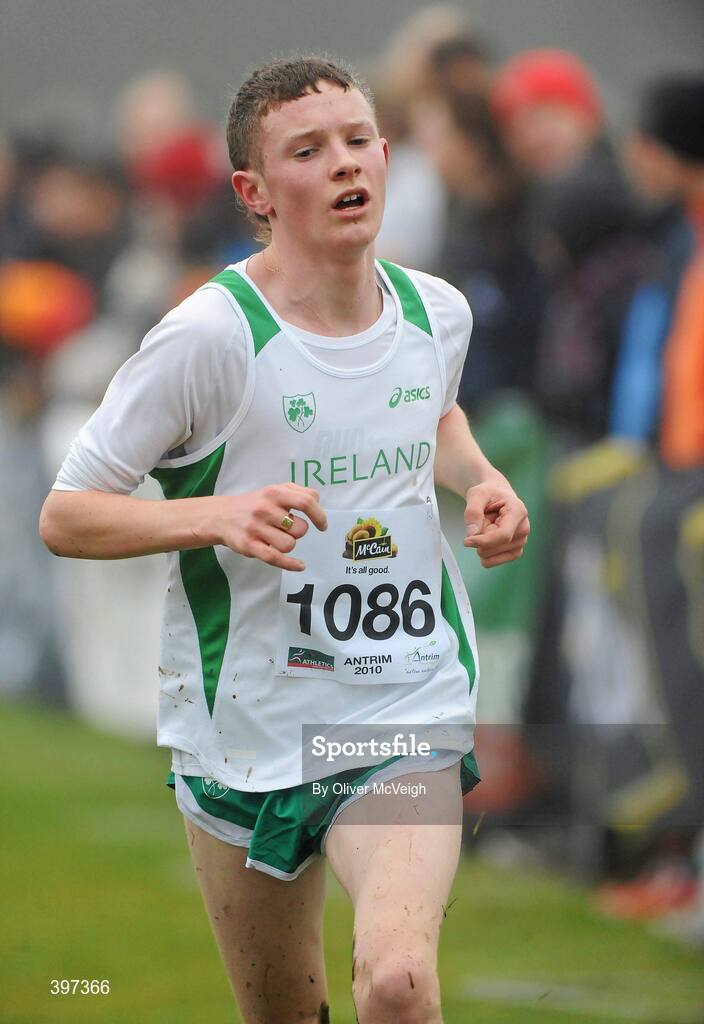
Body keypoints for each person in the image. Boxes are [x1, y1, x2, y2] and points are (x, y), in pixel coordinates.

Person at [39, 56, 529, 1024]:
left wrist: (480, 480)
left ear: (386, 157)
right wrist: (210, 512)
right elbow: (68, 511)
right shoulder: (208, 337)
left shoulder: (436, 311)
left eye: (356, 142)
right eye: (307, 150)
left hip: (401, 696)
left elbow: (428, 414)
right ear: (253, 193)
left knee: (394, 982)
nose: (343, 165)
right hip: (244, 721)